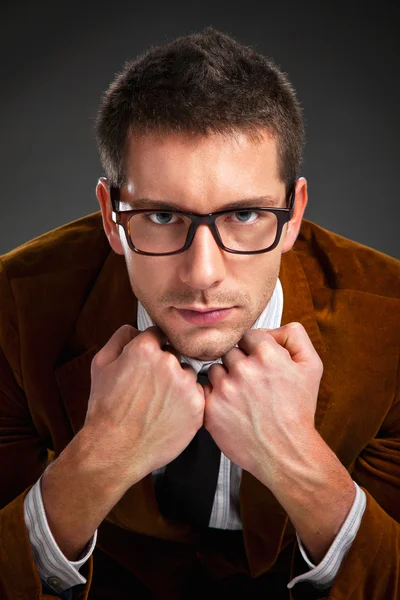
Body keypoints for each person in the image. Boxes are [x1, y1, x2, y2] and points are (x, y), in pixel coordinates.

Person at [0, 27, 398, 600]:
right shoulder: (14, 306)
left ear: (292, 216)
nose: (203, 272)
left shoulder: (393, 325)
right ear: (112, 217)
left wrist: (297, 458)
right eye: (162, 217)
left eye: (244, 216)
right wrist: (100, 456)